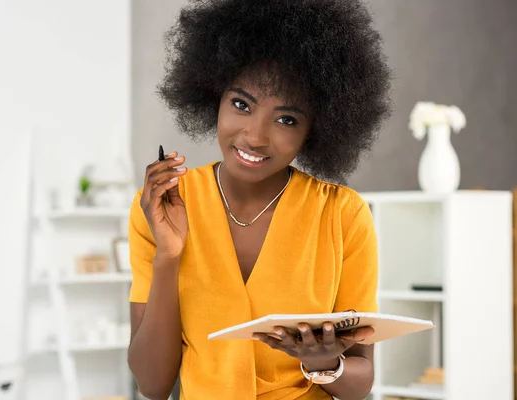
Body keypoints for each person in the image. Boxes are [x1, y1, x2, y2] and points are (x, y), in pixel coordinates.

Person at [127, 0, 391, 399]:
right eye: (241, 104)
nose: (255, 136)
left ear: (315, 130)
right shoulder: (162, 205)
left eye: (286, 119)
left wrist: (324, 363)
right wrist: (168, 257)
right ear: (212, 96)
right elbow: (153, 385)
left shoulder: (342, 214)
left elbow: (359, 384)